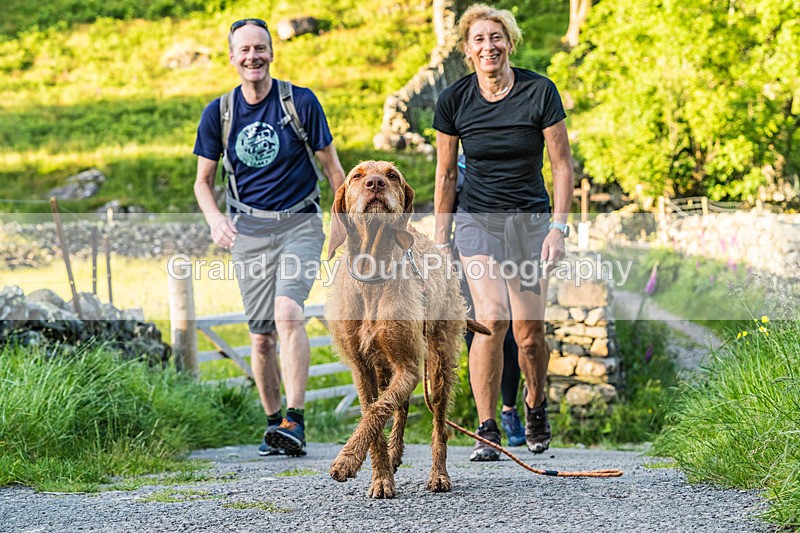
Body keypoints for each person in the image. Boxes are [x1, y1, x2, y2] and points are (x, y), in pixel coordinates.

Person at [193, 18, 345, 457]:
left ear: (272, 53)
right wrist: (215, 220)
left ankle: (295, 420)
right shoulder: (218, 113)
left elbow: (334, 170)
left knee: (288, 312)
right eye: (244, 50)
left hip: (299, 225)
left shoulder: (300, 102)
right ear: (232, 58)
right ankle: (274, 424)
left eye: (260, 48)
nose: (252, 57)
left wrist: (346, 226)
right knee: (260, 337)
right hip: (248, 233)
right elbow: (203, 182)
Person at [433, 4, 574, 461]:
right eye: (479, 39)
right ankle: (487, 427)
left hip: (530, 223)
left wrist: (558, 227)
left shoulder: (539, 91)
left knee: (529, 335)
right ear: (467, 50)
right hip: (476, 221)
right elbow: (446, 175)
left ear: (509, 43)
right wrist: (440, 239)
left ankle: (534, 405)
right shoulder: (454, 100)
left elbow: (561, 165)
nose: (488, 46)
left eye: (496, 37)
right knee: (489, 318)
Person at [455, 156, 526, 448]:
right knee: (478, 333)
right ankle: (486, 421)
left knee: (508, 335)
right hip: (469, 253)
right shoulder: (455, 165)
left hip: (510, 246)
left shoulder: (506, 154)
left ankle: (509, 409)